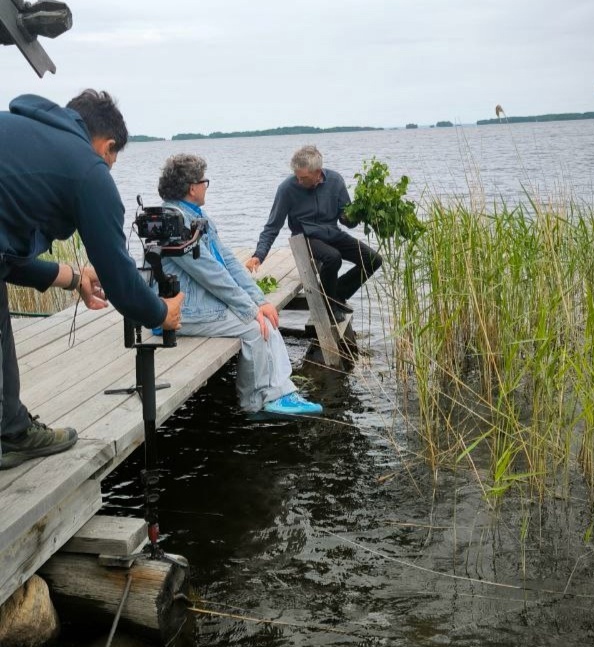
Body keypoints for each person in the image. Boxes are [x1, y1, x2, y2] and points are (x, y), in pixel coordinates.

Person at [0, 90, 184, 472]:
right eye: (114, 158)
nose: (110, 166)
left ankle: (12, 429)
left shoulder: (20, 130)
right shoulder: (87, 168)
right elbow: (121, 284)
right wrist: (160, 313)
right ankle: (12, 432)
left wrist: (71, 277)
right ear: (108, 145)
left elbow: (6, 257)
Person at [157, 154, 322, 417]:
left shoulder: (196, 217)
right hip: (180, 312)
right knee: (255, 327)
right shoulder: (175, 223)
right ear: (192, 187)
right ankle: (254, 403)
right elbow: (212, 275)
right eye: (204, 182)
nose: (205, 187)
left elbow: (229, 263)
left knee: (268, 317)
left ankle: (280, 391)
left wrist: (261, 301)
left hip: (198, 302)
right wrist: (249, 309)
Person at [246, 145, 381, 322]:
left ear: (317, 172)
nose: (299, 181)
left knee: (373, 260)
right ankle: (329, 306)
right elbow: (272, 226)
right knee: (333, 257)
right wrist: (259, 255)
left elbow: (347, 221)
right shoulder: (287, 188)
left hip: (332, 233)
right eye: (296, 176)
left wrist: (359, 213)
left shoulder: (335, 181)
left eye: (303, 177)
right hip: (305, 237)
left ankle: (337, 295)